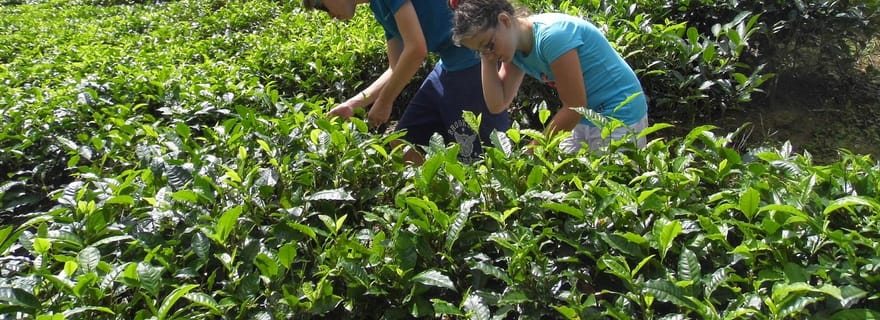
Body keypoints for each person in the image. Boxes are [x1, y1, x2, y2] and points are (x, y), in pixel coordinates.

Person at [301, 0, 510, 164]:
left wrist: (384, 101)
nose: (329, 15)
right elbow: (395, 66)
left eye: (321, 5)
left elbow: (416, 50)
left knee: (482, 159)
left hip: (473, 65)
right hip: (447, 67)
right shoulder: (379, 7)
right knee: (404, 144)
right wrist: (353, 104)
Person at [449, 0, 648, 153]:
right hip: (585, 118)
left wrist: (532, 151)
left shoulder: (552, 37)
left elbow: (574, 108)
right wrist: (487, 57)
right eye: (480, 51)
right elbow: (497, 104)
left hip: (620, 114)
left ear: (504, 20)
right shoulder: (514, 48)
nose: (489, 54)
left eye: (489, 45)